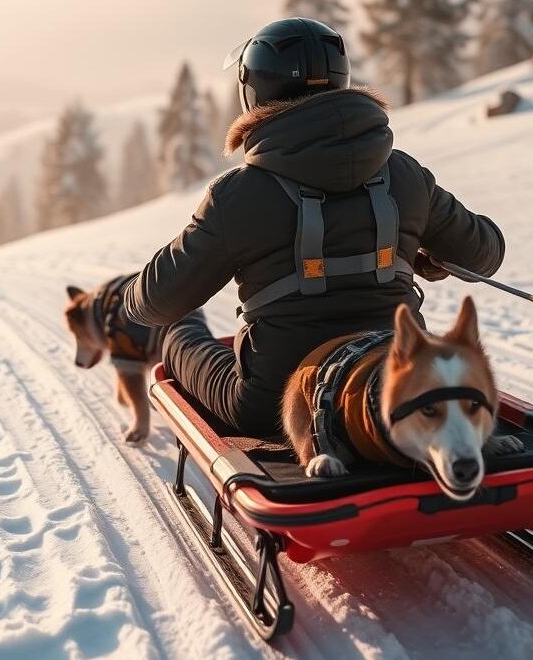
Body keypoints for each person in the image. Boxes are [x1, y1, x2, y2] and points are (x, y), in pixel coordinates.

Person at [122, 18, 505, 438]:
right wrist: (426, 253)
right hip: (400, 383)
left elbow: (153, 305)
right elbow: (485, 254)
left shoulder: (237, 195)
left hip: (277, 408)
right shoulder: (405, 174)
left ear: (253, 92)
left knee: (177, 334)